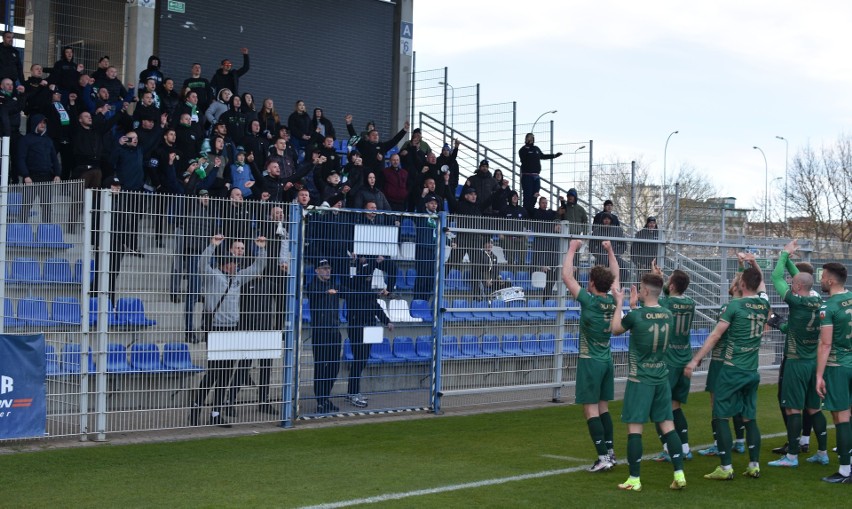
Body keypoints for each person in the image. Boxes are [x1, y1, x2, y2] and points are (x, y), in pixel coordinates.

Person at [685, 261, 769, 480]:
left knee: (721, 416)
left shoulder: (734, 306)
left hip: (732, 369)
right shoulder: (764, 305)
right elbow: (763, 287)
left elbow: (715, 336)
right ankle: (754, 465)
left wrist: (695, 360)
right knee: (750, 418)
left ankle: (725, 467)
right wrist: (753, 264)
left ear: (741, 283)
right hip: (752, 370)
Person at [609, 273, 687, 492]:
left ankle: (634, 479)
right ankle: (679, 473)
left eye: (641, 289)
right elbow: (650, 318)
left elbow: (615, 329)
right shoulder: (668, 314)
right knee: (668, 426)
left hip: (640, 378)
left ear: (643, 291)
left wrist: (620, 304)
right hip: (661, 377)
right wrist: (635, 307)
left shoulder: (637, 316)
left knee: (635, 429)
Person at [189, 234, 266, 427]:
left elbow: (257, 267)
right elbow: (200, 266)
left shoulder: (238, 277)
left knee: (225, 373)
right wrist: (212, 246)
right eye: (233, 263)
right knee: (213, 372)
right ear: (225, 264)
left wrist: (261, 249)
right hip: (215, 330)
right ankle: (196, 409)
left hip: (233, 329)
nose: (236, 266)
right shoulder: (213, 275)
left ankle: (216, 413)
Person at [766, 240, 828, 468]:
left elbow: (775, 278)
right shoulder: (817, 298)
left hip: (796, 361)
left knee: (793, 408)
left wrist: (783, 254)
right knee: (814, 408)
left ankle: (791, 456)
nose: (790, 284)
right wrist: (790, 260)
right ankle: (822, 452)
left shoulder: (796, 300)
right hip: (813, 362)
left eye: (793, 283)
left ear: (796, 287)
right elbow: (800, 279)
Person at [562, 239, 620, 472]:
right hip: (606, 359)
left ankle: (603, 457)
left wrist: (572, 248)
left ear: (593, 282)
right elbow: (615, 274)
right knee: (603, 408)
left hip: (590, 361)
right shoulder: (612, 299)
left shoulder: (590, 300)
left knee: (590, 410)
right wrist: (610, 250)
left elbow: (567, 276)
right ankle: (610, 452)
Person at [648, 263, 697, 463]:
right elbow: (671, 293)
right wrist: (663, 278)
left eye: (669, 281)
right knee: (675, 405)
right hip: (685, 358)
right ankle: (685, 448)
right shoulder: (691, 302)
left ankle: (669, 448)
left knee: (659, 405)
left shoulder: (667, 304)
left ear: (674, 286)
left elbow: (653, 298)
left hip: (669, 360)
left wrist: (655, 277)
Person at [815, 261, 852, 483]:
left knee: (841, 415)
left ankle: (846, 470)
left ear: (830, 280)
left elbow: (825, 344)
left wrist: (819, 375)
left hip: (838, 366)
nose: (821, 281)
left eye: (822, 277)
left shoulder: (828, 307)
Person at [344, 256, 394, 408]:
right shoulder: (353, 287)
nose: (369, 278)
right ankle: (353, 393)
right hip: (357, 328)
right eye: (367, 276)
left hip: (370, 327)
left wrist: (387, 321)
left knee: (363, 360)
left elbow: (377, 308)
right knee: (358, 359)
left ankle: (353, 391)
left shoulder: (368, 292)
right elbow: (364, 296)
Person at [306, 258, 343, 413]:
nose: (327, 271)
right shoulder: (312, 285)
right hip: (321, 332)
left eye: (328, 268)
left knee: (334, 366)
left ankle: (325, 397)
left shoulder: (333, 284)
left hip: (334, 331)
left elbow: (346, 290)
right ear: (317, 270)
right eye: (324, 268)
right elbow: (314, 294)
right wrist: (326, 292)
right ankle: (321, 401)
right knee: (321, 366)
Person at [16, 114, 61, 223]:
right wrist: (26, 175)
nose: (43, 125)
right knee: (26, 205)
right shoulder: (26, 139)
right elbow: (20, 159)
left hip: (46, 177)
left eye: (44, 123)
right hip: (31, 177)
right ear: (35, 123)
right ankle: (22, 228)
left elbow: (55, 160)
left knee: (46, 206)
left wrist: (57, 174)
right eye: (40, 122)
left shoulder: (49, 141)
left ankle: (46, 229)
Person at [519, 133, 562, 213]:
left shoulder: (536, 149)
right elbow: (523, 159)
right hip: (527, 176)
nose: (531, 139)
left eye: (532, 138)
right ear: (526, 139)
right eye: (529, 138)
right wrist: (527, 146)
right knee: (527, 197)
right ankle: (525, 214)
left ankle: (530, 212)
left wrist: (554, 156)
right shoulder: (523, 149)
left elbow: (543, 156)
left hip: (536, 176)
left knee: (535, 195)